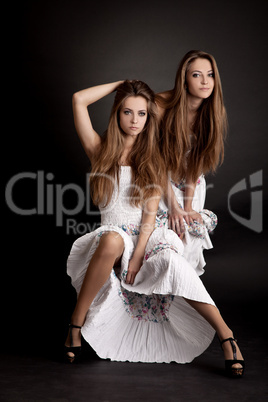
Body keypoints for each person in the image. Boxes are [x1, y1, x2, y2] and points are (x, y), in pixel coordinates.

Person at [64, 79, 244, 377]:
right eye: (127, 112)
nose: (134, 120)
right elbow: (78, 99)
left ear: (149, 118)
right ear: (117, 113)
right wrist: (121, 85)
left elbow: (149, 214)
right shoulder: (99, 150)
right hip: (113, 235)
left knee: (173, 262)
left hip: (147, 235)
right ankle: (75, 324)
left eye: (142, 113)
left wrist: (137, 257)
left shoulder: (153, 158)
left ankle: (228, 337)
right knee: (111, 240)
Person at [155, 50, 244, 376]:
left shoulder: (212, 112)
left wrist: (189, 207)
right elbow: (156, 162)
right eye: (196, 74)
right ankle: (225, 334)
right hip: (158, 186)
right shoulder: (163, 106)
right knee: (169, 250)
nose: (205, 81)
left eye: (209, 75)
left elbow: (195, 167)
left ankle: (183, 323)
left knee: (189, 250)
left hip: (191, 189)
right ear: (184, 78)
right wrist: (174, 207)